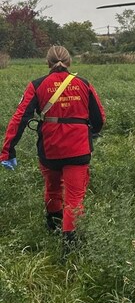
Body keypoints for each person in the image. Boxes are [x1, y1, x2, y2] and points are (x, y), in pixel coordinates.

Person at [1, 45, 105, 253]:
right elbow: (99, 118)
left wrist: (8, 151)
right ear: (70, 62)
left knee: (53, 187)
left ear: (47, 62)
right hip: (78, 149)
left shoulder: (37, 85)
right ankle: (70, 246)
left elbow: (20, 118)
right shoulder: (84, 84)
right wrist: (90, 132)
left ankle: (52, 225)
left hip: (50, 149)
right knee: (74, 199)